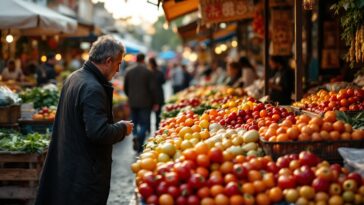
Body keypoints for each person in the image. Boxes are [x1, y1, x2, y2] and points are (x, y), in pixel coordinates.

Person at [35, 35, 134, 205]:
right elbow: (98, 132)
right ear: (108, 61)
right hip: (84, 172)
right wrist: (122, 128)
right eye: (118, 64)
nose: (118, 70)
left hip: (71, 165)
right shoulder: (92, 88)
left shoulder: (74, 77)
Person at [124, 53, 157, 153]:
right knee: (144, 124)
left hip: (133, 101)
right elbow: (152, 89)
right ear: (143, 60)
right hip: (145, 102)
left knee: (134, 122)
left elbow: (125, 88)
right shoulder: (148, 72)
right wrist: (155, 102)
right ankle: (139, 139)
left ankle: (135, 136)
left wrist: (130, 96)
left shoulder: (128, 71)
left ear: (136, 60)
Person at [148, 57, 165, 130]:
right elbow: (164, 81)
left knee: (148, 113)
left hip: (150, 96)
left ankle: (148, 128)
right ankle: (157, 127)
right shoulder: (160, 72)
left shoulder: (148, 72)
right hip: (159, 95)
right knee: (158, 113)